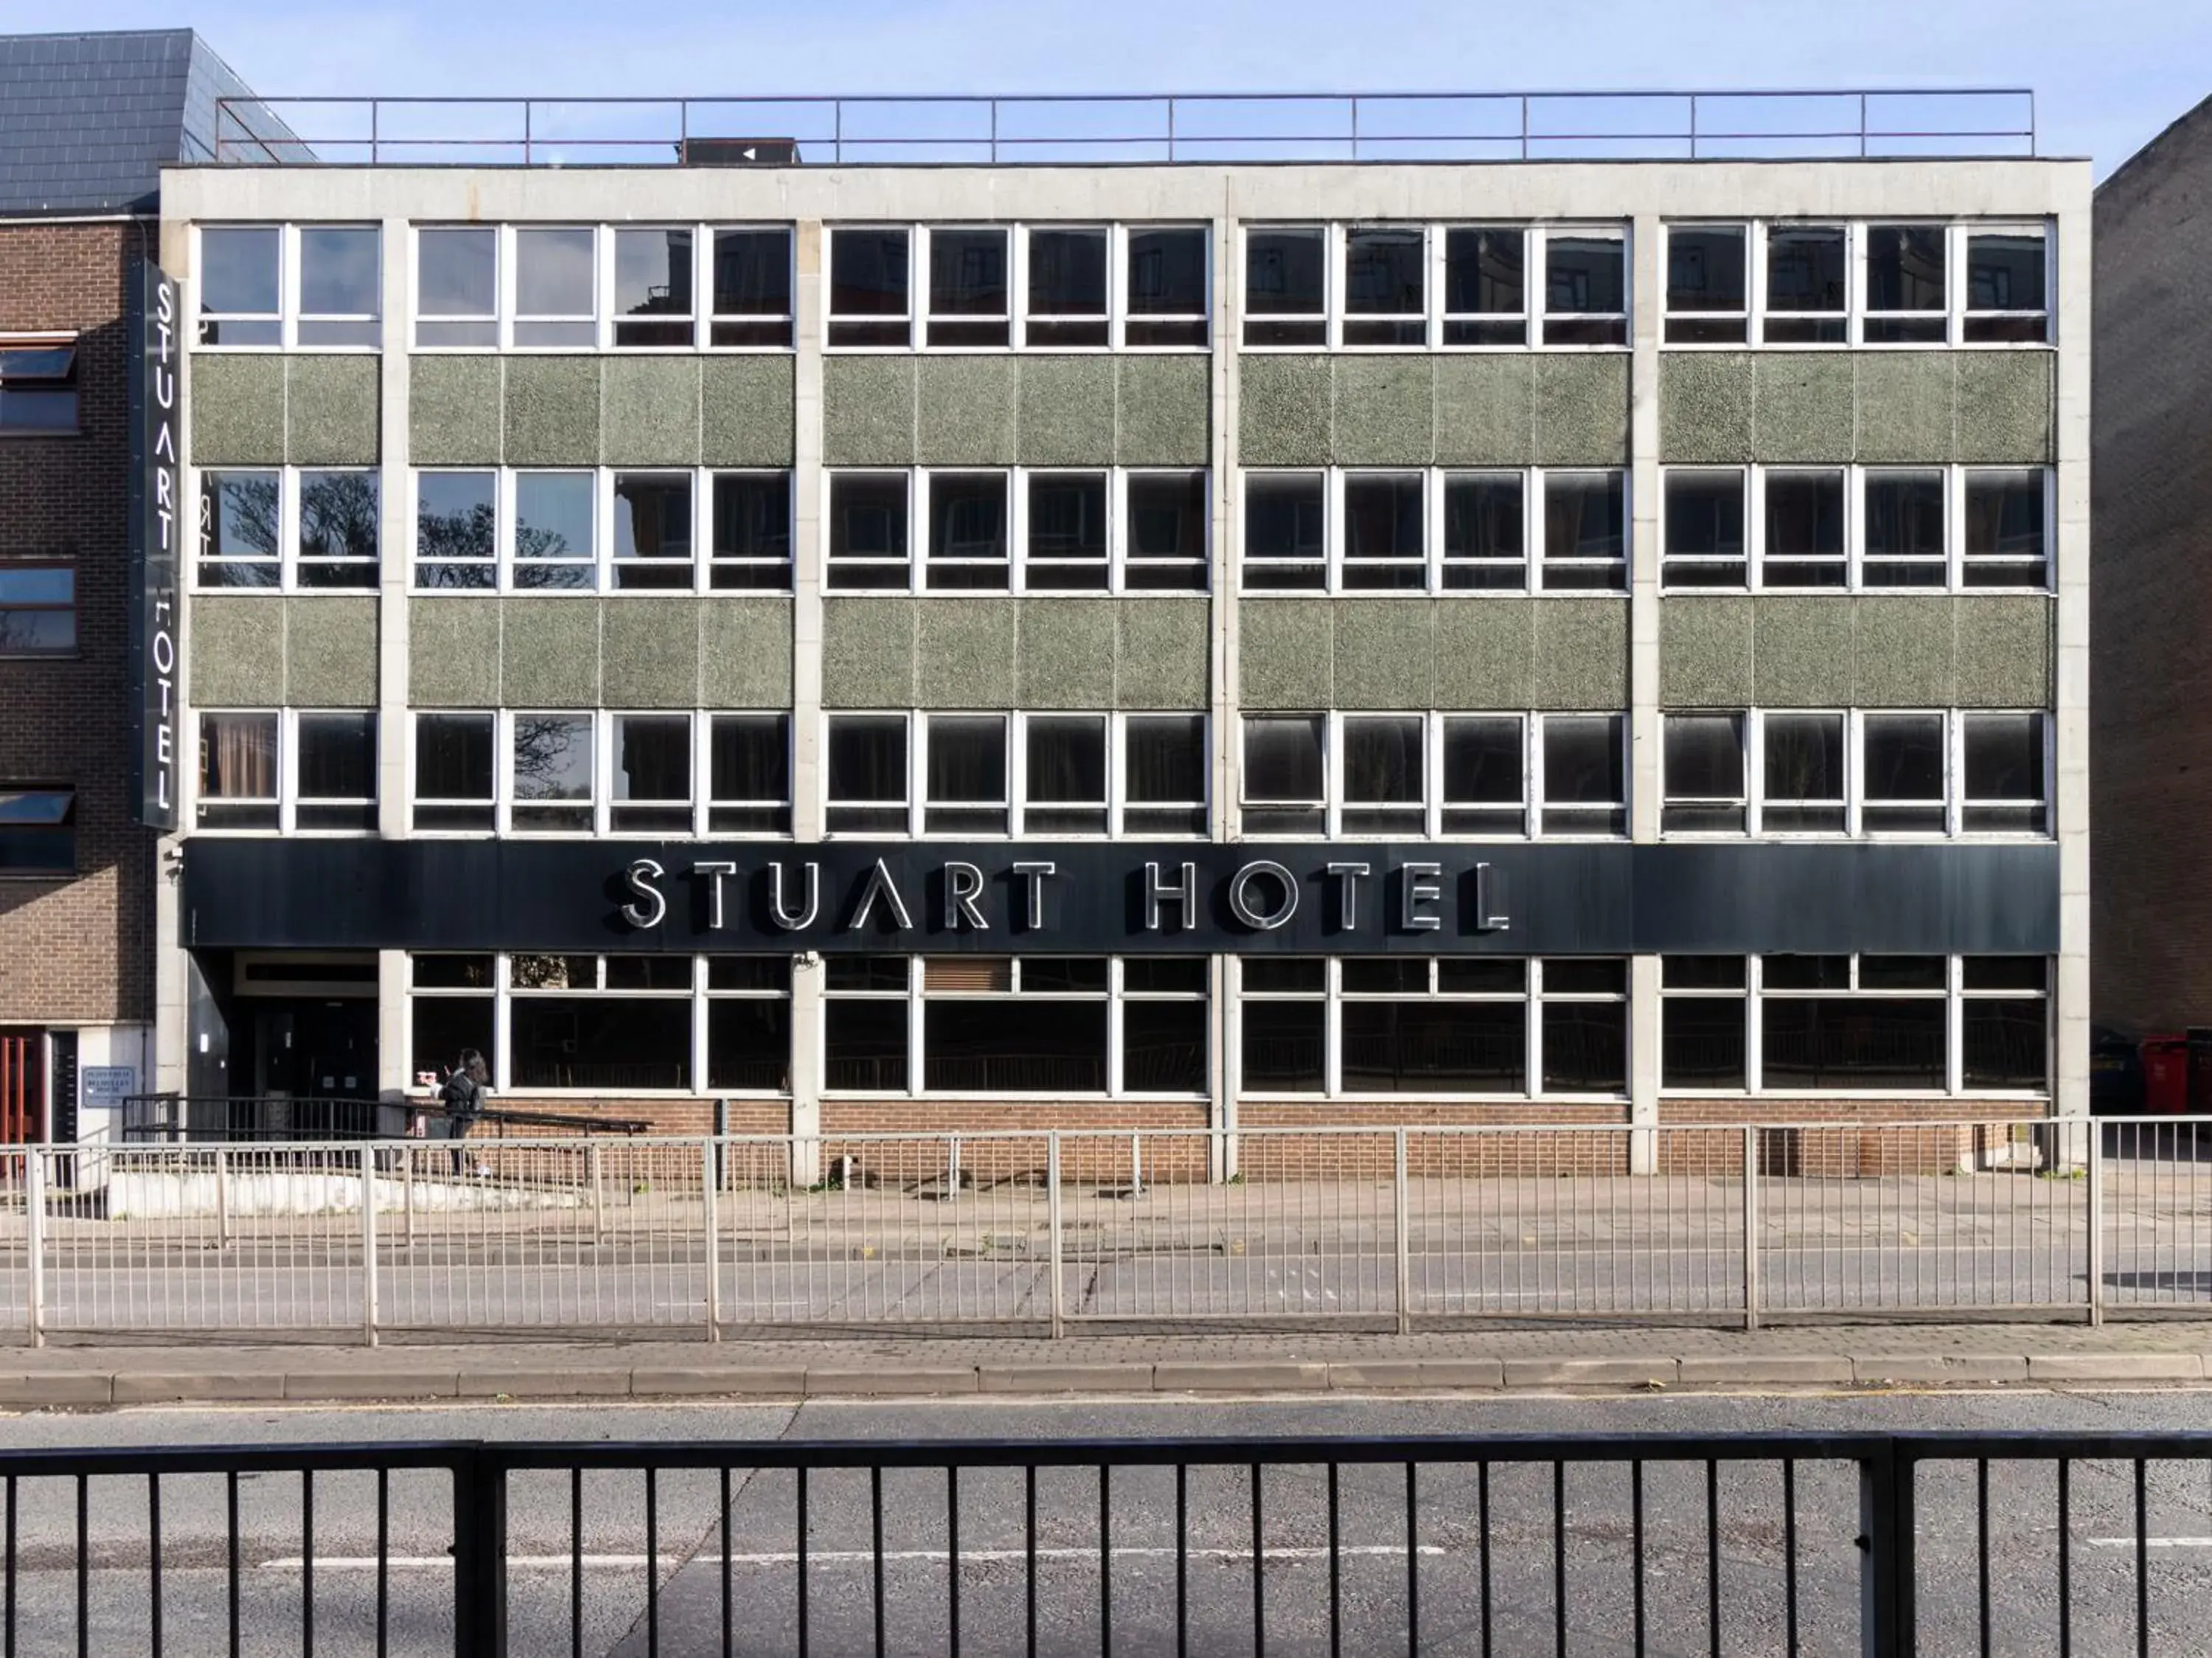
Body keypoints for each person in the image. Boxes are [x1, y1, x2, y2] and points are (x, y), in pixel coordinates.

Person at [439, 1048, 490, 1176]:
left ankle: (465, 1168)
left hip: (462, 1113)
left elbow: (453, 1092)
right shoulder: (477, 1073)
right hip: (469, 1113)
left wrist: (437, 1087)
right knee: (456, 1141)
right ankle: (472, 1166)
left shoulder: (463, 1077)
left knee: (455, 1141)